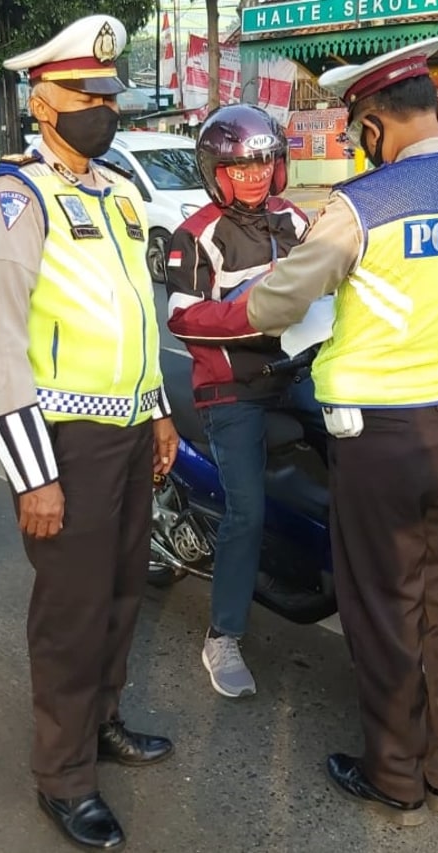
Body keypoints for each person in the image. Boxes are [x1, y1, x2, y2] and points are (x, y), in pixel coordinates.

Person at [243, 37, 438, 825]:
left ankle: (394, 778)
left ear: (371, 124)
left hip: (381, 441)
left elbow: (274, 306)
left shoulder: (364, 204)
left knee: (386, 606)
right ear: (436, 107)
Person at [0, 15, 179, 850]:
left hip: (128, 435)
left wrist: (159, 407)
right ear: (42, 99)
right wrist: (33, 476)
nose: (104, 107)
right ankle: (62, 775)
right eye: (87, 94)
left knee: (123, 594)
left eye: (108, 93)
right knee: (71, 611)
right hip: (64, 443)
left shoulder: (117, 193)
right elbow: (4, 350)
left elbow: (137, 316)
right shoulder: (17, 199)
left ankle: (103, 723)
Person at [165, 104, 324, 699]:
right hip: (232, 389)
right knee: (247, 511)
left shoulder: (297, 220)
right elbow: (182, 316)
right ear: (217, 170)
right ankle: (223, 634)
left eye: (265, 162)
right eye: (242, 165)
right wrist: (254, 312)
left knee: (365, 452)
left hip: (299, 374)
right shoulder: (196, 234)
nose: (256, 174)